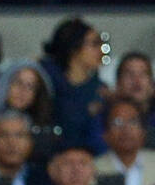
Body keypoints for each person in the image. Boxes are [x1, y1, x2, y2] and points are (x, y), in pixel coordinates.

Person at [39, 17, 110, 148]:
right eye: (94, 44)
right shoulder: (46, 83)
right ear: (74, 47)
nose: (101, 50)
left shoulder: (100, 90)